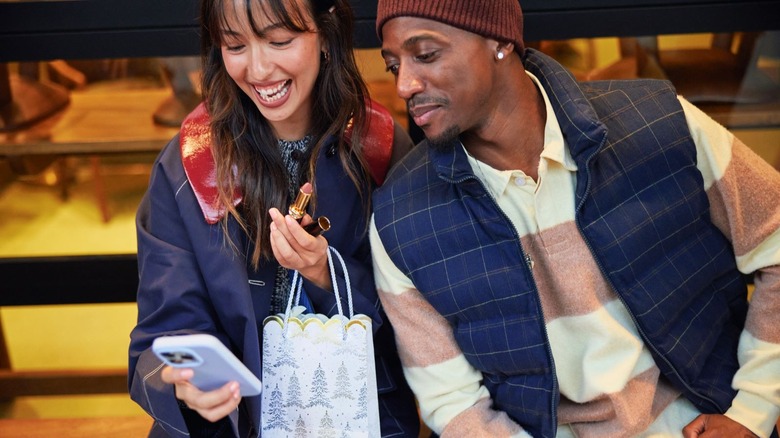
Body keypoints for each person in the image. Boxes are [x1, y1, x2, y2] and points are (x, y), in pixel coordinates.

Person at [369, 1, 780, 437]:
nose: (405, 85)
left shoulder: (659, 126)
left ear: (500, 40)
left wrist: (753, 410)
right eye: (394, 65)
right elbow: (451, 401)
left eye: (426, 54)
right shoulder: (401, 220)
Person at [128, 0, 420, 436]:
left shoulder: (379, 150)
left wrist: (325, 274)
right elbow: (162, 333)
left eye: (279, 40)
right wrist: (183, 384)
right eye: (235, 45)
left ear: (326, 32)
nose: (259, 69)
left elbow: (424, 318)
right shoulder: (187, 165)